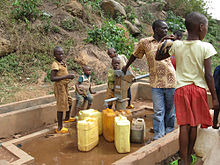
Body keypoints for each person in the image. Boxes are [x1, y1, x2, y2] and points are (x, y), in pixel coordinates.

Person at [155, 12, 219, 165]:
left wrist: (165, 41)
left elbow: (159, 57)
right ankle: (189, 156)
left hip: (181, 89)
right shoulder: (206, 47)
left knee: (183, 125)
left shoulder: (177, 45)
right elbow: (209, 75)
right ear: (201, 27)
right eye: (206, 28)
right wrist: (215, 97)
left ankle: (183, 159)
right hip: (198, 90)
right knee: (193, 125)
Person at [122, 20, 176, 140]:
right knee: (158, 111)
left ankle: (169, 134)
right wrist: (126, 67)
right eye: (163, 28)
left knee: (171, 112)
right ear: (155, 29)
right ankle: (159, 136)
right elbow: (135, 54)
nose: (166, 30)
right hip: (156, 82)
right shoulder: (145, 42)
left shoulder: (169, 42)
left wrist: (175, 41)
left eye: (167, 28)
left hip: (171, 80)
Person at [50, 46, 75, 133]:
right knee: (61, 106)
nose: (61, 55)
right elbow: (52, 78)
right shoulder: (55, 65)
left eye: (62, 53)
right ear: (54, 55)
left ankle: (67, 118)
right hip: (59, 87)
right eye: (58, 54)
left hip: (65, 86)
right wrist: (67, 76)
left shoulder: (62, 63)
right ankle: (59, 128)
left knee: (69, 101)